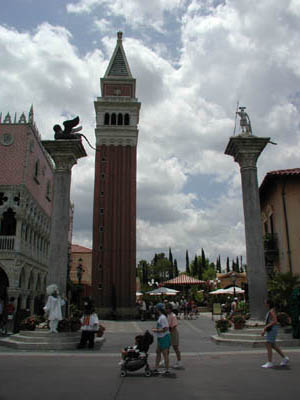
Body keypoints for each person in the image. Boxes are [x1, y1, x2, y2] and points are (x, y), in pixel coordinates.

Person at [261, 299, 289, 368]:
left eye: (265, 303)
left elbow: (275, 321)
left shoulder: (271, 311)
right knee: (273, 345)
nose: (265, 304)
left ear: (269, 304)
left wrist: (265, 328)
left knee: (268, 344)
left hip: (272, 329)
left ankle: (270, 362)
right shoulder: (271, 310)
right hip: (272, 329)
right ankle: (285, 358)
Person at [152, 303, 171, 374]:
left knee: (165, 354)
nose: (155, 309)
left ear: (158, 309)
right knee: (158, 352)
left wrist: (156, 330)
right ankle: (156, 368)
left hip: (164, 337)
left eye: (156, 308)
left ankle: (167, 370)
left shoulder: (162, 318)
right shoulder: (161, 317)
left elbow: (165, 328)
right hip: (161, 337)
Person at [166, 303, 183, 369]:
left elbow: (174, 325)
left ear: (170, 309)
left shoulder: (173, 315)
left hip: (173, 332)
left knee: (175, 348)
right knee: (166, 347)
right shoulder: (167, 315)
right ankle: (165, 359)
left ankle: (179, 361)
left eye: (167, 308)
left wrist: (169, 331)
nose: (166, 310)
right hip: (168, 332)